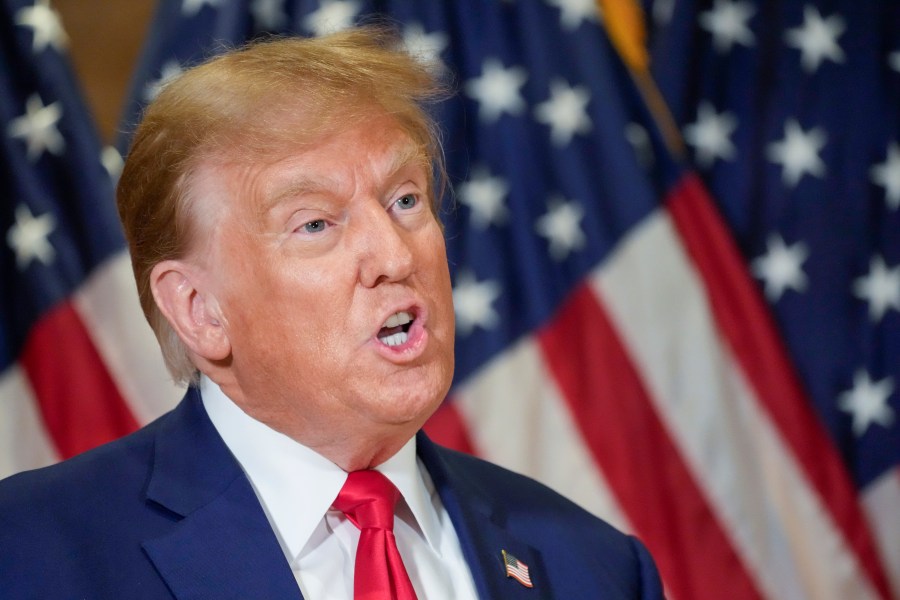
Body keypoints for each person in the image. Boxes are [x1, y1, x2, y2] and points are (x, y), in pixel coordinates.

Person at [0, 28, 664, 599]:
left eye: (405, 200)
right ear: (200, 310)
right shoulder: (31, 553)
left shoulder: (595, 567)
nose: (394, 256)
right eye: (316, 223)